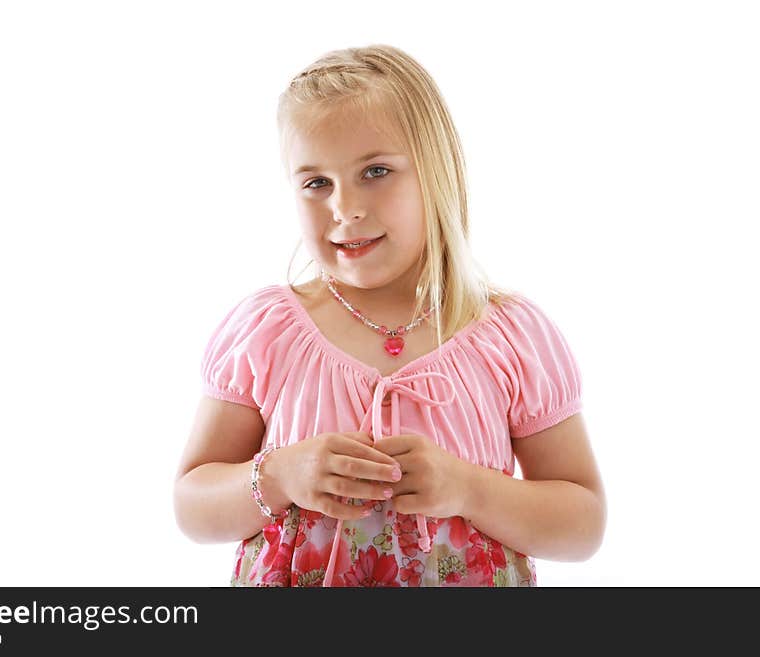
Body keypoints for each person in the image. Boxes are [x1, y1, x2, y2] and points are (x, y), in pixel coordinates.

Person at [174, 44, 606, 587]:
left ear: (436, 171)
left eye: (375, 171)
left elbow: (583, 522)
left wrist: (470, 488)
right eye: (316, 183)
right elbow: (192, 504)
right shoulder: (269, 333)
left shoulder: (508, 337)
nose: (344, 208)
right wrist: (280, 474)